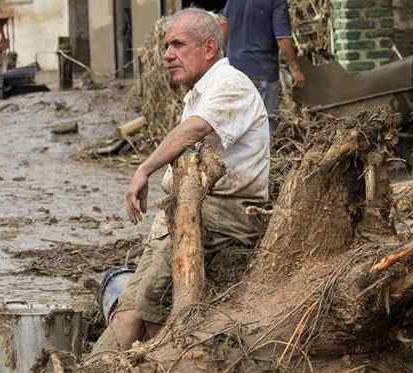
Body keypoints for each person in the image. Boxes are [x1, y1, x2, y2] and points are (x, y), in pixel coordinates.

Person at [92, 8, 270, 353]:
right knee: (146, 306)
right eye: (165, 46)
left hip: (220, 213)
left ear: (208, 48)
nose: (167, 55)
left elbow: (196, 129)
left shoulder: (230, 84)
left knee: (133, 307)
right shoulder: (201, 91)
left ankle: (94, 365)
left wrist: (144, 168)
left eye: (177, 44)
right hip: (190, 210)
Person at [220, 0, 307, 134]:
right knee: (264, 125)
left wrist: (224, 57)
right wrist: (295, 69)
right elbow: (282, 37)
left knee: (238, 124)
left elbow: (224, 25)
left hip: (234, 71)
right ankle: (264, 154)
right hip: (262, 71)